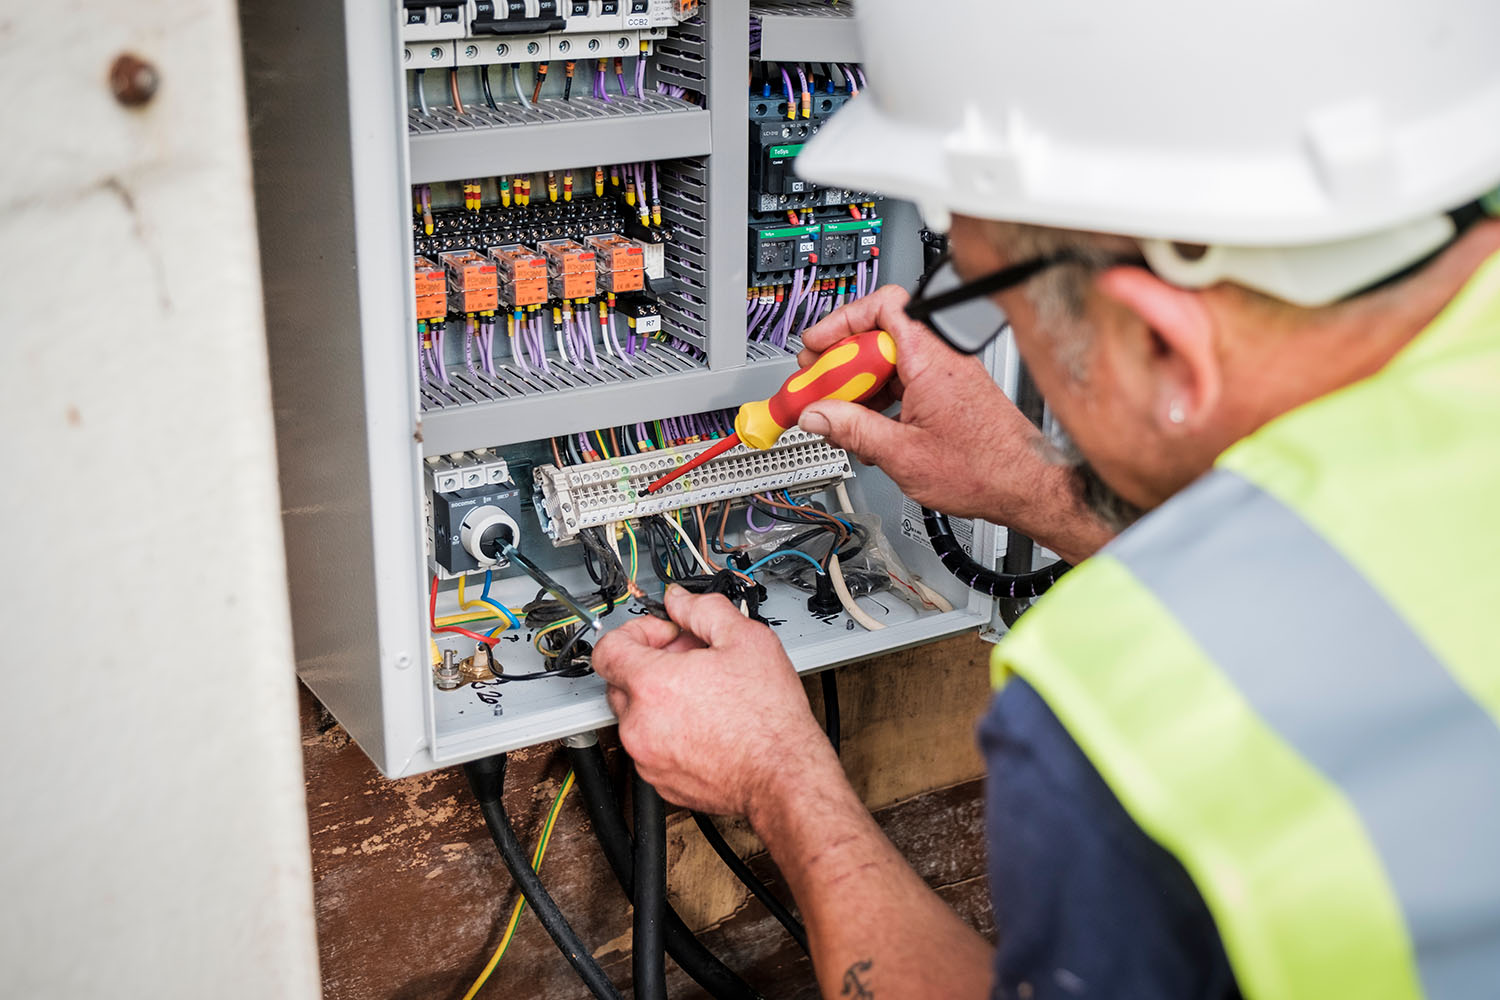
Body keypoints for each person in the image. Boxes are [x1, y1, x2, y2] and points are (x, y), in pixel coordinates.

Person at [593, 2, 1500, 996]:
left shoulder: (1134, 722)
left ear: (1162, 342)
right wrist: (1035, 483)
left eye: (993, 301)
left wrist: (778, 772)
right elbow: (1345, 569)